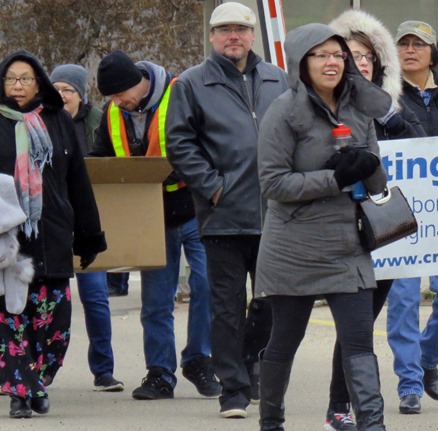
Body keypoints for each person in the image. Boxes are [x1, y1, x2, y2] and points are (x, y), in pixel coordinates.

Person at [255, 22, 392, 431]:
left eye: (338, 55)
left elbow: (377, 183)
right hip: (292, 248)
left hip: (347, 245)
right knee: (284, 341)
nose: (331, 62)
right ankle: (271, 422)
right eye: (321, 55)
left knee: (359, 343)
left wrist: (368, 166)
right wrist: (333, 179)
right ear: (301, 63)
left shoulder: (359, 106)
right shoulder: (283, 111)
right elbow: (272, 183)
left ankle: (373, 424)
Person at [165, 1, 289, 419]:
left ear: (253, 35)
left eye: (240, 29)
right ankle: (233, 389)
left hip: (276, 214)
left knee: (275, 301)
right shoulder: (191, 84)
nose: (232, 36)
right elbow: (179, 143)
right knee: (226, 305)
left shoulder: (279, 79)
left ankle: (249, 357)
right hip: (222, 216)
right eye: (224, 30)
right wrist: (213, 188)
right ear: (212, 37)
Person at [91, 50, 220, 401]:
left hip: (195, 207)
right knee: (156, 301)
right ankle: (160, 373)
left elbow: (209, 144)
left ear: (140, 81)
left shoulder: (181, 93)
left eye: (122, 95)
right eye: (113, 98)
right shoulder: (113, 112)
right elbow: (101, 155)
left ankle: (199, 359)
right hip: (150, 218)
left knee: (208, 285)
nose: (119, 103)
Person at [326, 9, 426, 430]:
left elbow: (428, 154)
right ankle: (335, 407)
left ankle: (349, 409)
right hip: (333, 232)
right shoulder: (320, 110)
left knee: (361, 324)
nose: (360, 62)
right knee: (345, 324)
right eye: (350, 54)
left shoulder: (396, 110)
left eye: (367, 55)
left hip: (383, 230)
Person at [0, 50, 107, 418]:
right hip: (8, 242)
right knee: (11, 318)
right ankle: (20, 390)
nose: (17, 86)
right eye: (11, 78)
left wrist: (90, 235)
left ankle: (39, 379)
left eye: (25, 79)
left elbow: (77, 180)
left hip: (53, 233)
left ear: (39, 82)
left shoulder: (57, 120)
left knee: (54, 323)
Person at [387, 19, 438, 415]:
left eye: (420, 44)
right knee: (402, 299)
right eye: (404, 44)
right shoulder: (384, 95)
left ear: (433, 51)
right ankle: (410, 383)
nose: (411, 50)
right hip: (399, 214)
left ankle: (427, 358)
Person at [49, 64, 123, 392]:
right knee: (45, 301)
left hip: (87, 220)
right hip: (51, 223)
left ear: (81, 94)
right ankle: (38, 370)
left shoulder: (99, 122)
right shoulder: (43, 120)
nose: (62, 95)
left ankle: (104, 371)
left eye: (69, 89)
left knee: (95, 297)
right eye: (57, 88)